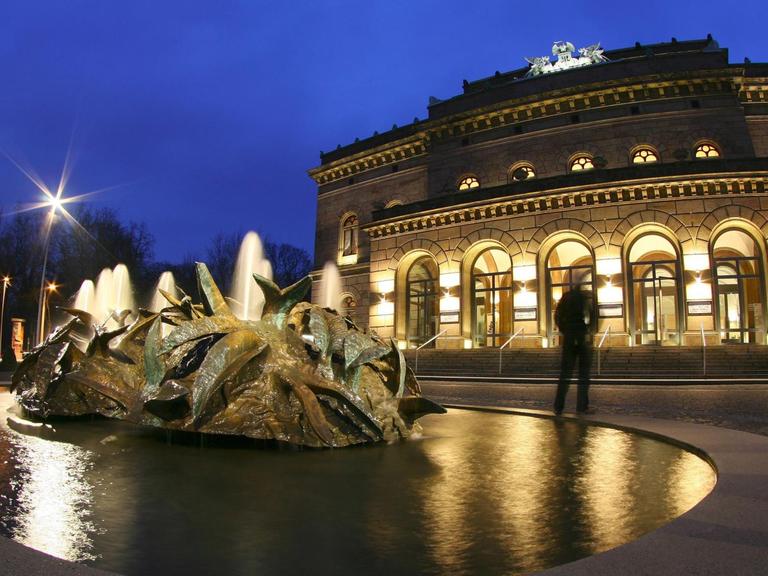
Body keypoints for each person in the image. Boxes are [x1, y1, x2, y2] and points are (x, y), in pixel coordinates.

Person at [553, 284, 594, 415]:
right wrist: (589, 330)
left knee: (565, 373)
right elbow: (592, 314)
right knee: (583, 374)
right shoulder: (583, 297)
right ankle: (582, 406)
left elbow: (557, 315)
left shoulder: (566, 297)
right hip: (580, 337)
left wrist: (564, 329)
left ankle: (558, 406)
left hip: (569, 337)